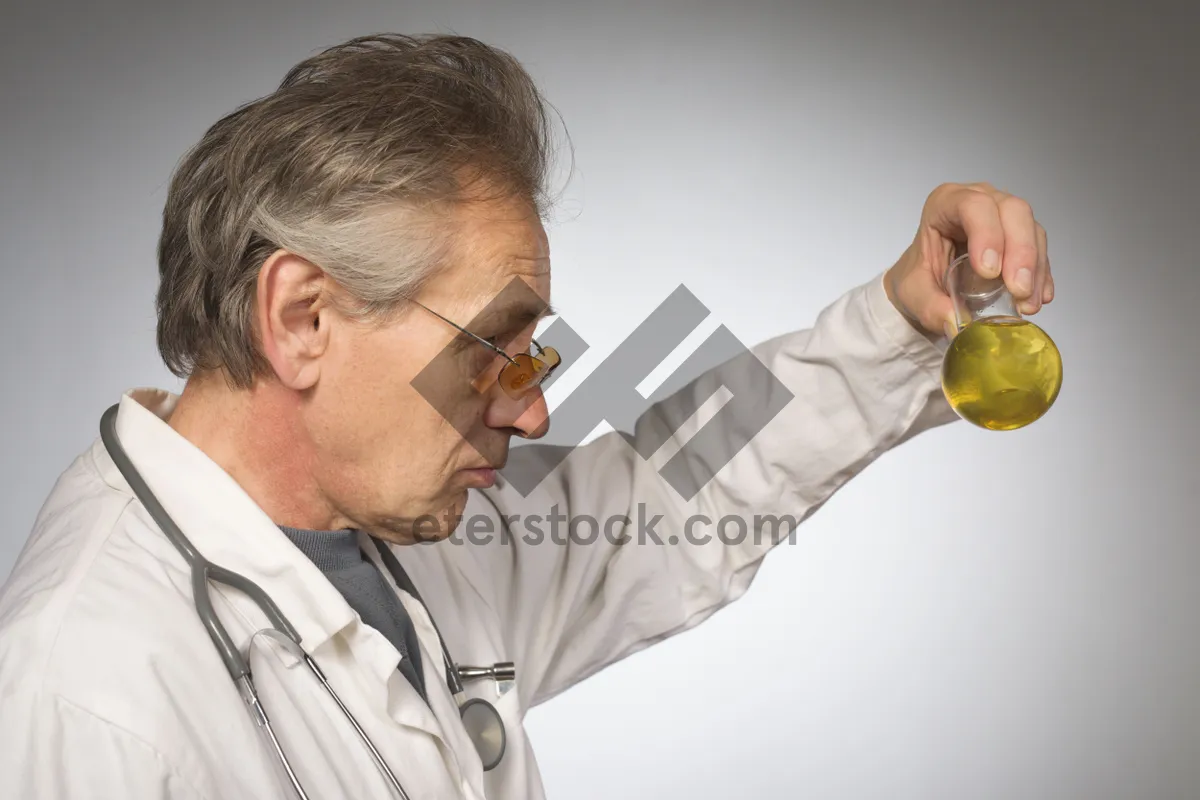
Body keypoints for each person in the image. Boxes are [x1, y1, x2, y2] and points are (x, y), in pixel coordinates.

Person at [0, 33, 1054, 800]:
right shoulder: (83, 693)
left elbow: (668, 494)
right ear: (303, 317)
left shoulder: (397, 521)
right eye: (493, 346)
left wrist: (902, 321)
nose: (537, 401)